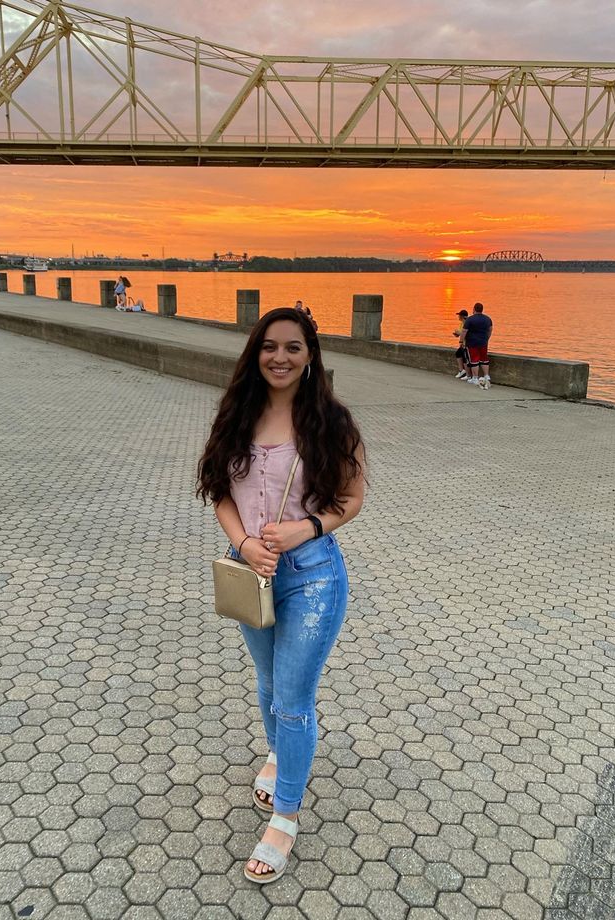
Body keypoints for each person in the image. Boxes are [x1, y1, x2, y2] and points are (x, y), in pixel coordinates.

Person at [197, 307, 366, 885]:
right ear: (255, 352)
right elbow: (218, 490)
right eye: (270, 346)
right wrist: (243, 542)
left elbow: (351, 499)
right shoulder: (237, 414)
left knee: (293, 700)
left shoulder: (331, 420)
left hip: (314, 576)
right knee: (267, 684)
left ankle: (285, 820)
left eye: (293, 347)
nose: (280, 358)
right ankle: (277, 756)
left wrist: (305, 528)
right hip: (255, 574)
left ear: (310, 354)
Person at [460, 302, 493, 388]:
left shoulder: (470, 320)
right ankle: (486, 375)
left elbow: (464, 331)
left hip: (472, 343)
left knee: (474, 360)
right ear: (482, 309)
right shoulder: (488, 319)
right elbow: (490, 330)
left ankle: (475, 377)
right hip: (483, 342)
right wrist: (487, 339)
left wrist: (461, 341)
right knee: (484, 359)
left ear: (474, 309)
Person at [453, 309, 471, 379]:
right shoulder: (461, 324)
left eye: (459, 315)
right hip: (462, 343)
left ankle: (467, 374)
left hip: (466, 344)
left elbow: (466, 333)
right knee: (458, 354)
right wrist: (457, 334)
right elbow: (461, 333)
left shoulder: (467, 323)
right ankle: (461, 370)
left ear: (462, 316)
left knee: (465, 358)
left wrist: (459, 333)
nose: (458, 317)